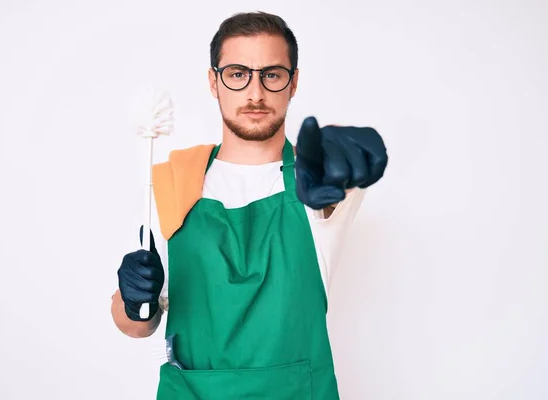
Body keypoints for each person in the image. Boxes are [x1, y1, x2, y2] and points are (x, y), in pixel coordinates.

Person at [111, 11, 388, 399]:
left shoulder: (319, 181)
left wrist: (344, 157)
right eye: (238, 74)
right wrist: (133, 298)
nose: (255, 93)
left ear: (293, 84)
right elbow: (137, 325)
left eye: (272, 75)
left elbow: (334, 183)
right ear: (214, 81)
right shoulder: (175, 180)